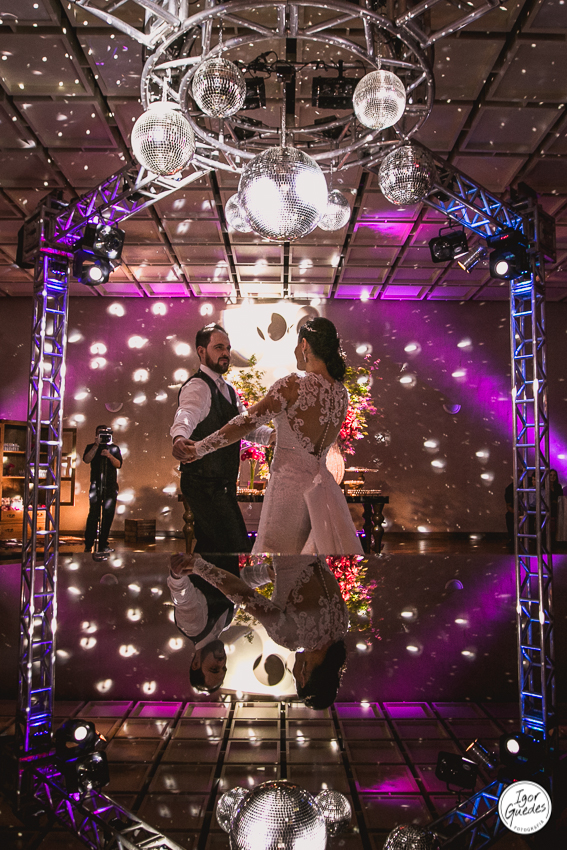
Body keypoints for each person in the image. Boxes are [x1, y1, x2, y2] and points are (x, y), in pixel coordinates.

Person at [176, 317, 363, 555]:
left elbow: (244, 424)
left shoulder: (292, 386)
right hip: (322, 493)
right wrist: (276, 437)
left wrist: (199, 448)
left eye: (297, 345)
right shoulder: (341, 393)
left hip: (289, 493)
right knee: (308, 569)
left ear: (304, 345)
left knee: (278, 560)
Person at [170, 552, 349, 708]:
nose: (221, 662)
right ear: (302, 677)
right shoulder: (294, 638)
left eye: (218, 668)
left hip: (314, 541)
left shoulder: (341, 626)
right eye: (293, 679)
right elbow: (243, 594)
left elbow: (241, 584)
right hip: (286, 539)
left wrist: (265, 574)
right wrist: (196, 565)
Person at [171, 323, 273, 569]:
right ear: (201, 351)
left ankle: (200, 600)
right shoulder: (198, 386)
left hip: (221, 484)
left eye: (227, 348)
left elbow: (243, 426)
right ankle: (211, 598)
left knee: (214, 550)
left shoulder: (228, 390)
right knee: (231, 548)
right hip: (203, 483)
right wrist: (179, 437)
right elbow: (187, 413)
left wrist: (273, 437)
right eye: (218, 347)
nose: (226, 353)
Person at [168, 551, 234, 693]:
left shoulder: (193, 627)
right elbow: (239, 582)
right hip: (233, 547)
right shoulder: (226, 623)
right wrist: (268, 574)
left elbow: (182, 597)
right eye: (224, 668)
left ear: (196, 663)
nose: (222, 662)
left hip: (207, 542)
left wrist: (177, 576)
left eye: (214, 668)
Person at [83, 425, 122, 554]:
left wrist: (109, 455)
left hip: (110, 486)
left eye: (106, 434)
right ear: (96, 434)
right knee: (93, 514)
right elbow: (86, 459)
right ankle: (89, 543)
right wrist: (96, 445)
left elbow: (118, 464)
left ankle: (103, 543)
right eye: (101, 434)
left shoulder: (114, 448)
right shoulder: (91, 447)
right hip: (96, 485)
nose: (104, 436)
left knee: (108, 515)